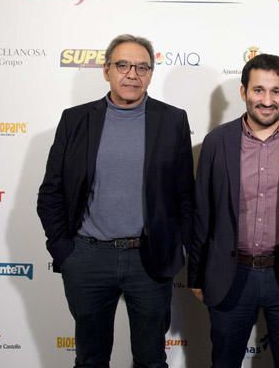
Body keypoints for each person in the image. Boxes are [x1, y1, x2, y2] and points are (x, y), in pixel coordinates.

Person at [37, 34, 194, 368]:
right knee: (90, 358)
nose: (132, 74)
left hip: (149, 260)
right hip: (88, 257)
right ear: (106, 70)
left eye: (142, 67)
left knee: (151, 359)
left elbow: (185, 195)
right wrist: (65, 251)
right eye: (123, 65)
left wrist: (177, 249)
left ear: (151, 73)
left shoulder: (173, 120)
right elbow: (51, 191)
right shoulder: (75, 119)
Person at [188, 54, 279, 368]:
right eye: (259, 90)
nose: (267, 100)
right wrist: (196, 275)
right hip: (231, 275)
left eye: (276, 91)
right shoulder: (216, 142)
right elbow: (202, 214)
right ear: (243, 92)